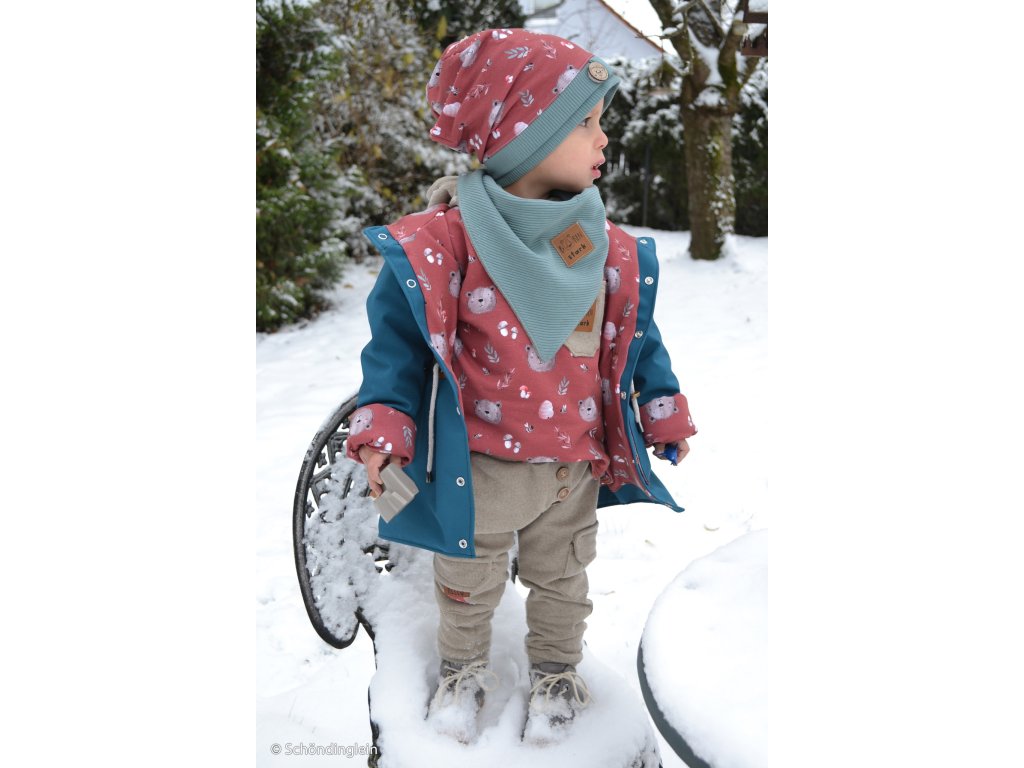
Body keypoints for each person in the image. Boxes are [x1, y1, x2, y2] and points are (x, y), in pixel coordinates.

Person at [346, 27, 697, 746]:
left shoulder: (597, 242)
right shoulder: (448, 243)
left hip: (572, 469)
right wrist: (385, 425)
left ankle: (557, 674)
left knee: (564, 580)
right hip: (477, 470)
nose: (604, 138)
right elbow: (396, 349)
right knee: (466, 581)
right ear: (525, 135)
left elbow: (634, 333)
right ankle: (462, 671)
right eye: (586, 122)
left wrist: (662, 410)